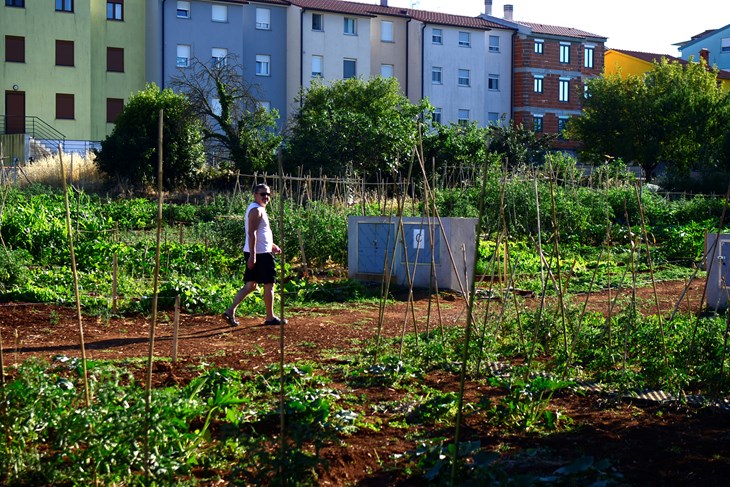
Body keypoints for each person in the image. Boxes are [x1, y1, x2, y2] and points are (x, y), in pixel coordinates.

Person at [223, 183, 286, 326]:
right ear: (255, 195)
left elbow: (261, 233)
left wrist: (271, 245)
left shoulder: (259, 209)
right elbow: (252, 234)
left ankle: (230, 311)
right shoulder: (256, 210)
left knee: (251, 285)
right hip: (261, 254)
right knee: (269, 284)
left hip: (260, 251)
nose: (266, 197)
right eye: (263, 194)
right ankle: (270, 317)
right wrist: (253, 256)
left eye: (268, 194)